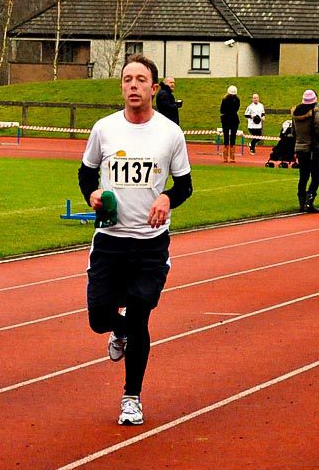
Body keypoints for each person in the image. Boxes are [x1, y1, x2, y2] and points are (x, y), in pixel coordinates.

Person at [78, 54, 193, 425]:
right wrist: (92, 195)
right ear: (121, 87)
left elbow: (185, 186)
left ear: (154, 88)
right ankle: (118, 329)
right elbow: (86, 174)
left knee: (140, 317)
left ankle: (131, 398)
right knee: (99, 317)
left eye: (141, 80)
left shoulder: (170, 134)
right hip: (109, 240)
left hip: (149, 243)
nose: (133, 85)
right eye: (127, 79)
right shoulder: (104, 129)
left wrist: (167, 198)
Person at [291, 89, 319, 213]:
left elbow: (293, 131)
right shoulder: (314, 112)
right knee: (316, 176)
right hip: (313, 148)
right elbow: (318, 129)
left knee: (303, 176)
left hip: (299, 147)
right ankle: (309, 202)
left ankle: (301, 203)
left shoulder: (295, 112)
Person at [220, 85, 241, 163]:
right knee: (233, 138)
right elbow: (237, 109)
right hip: (234, 119)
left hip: (225, 119)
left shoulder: (224, 100)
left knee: (226, 137)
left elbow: (221, 110)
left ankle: (225, 158)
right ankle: (232, 158)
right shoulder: (237, 100)